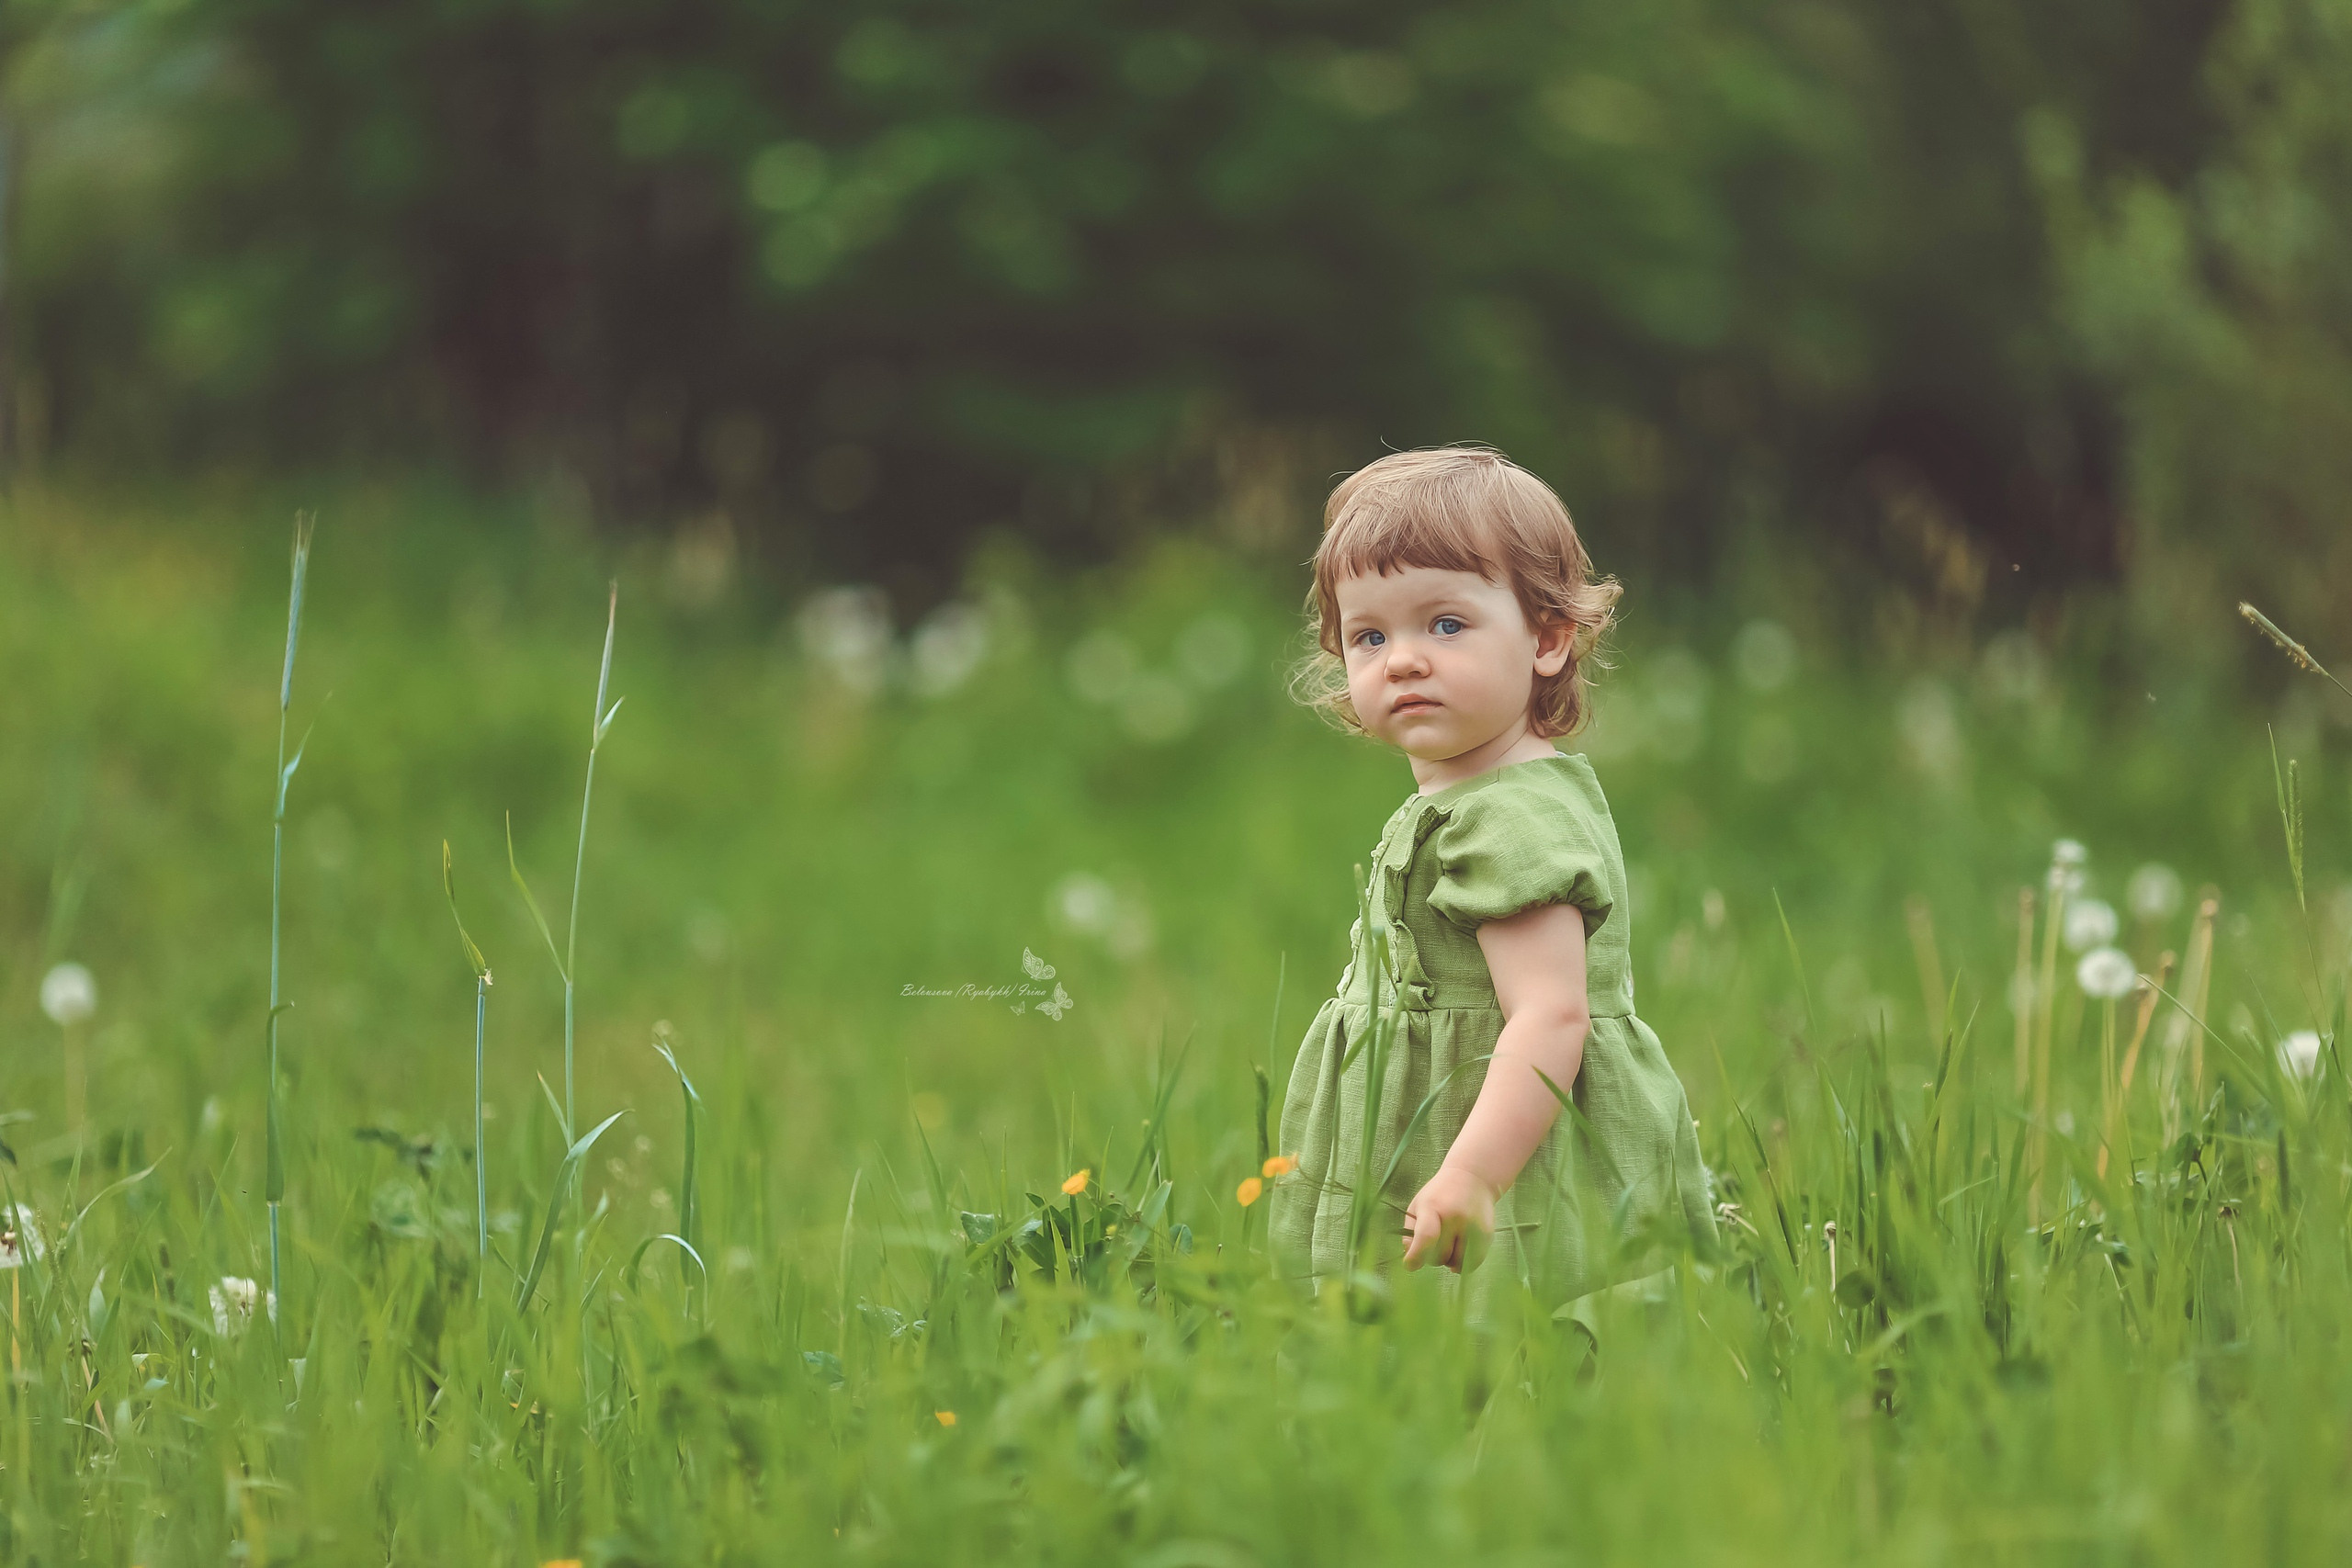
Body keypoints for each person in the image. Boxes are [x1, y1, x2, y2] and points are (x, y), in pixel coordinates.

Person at [1268, 445, 1718, 1324]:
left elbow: (1552, 1014)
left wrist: (1474, 1176)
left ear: (1548, 638)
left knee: (1519, 1345)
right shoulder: (1479, 798)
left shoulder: (1510, 821)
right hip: (1456, 1130)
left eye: (1445, 624)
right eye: (1371, 635)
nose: (1401, 660)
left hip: (1508, 1152)